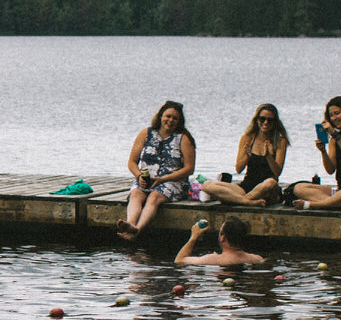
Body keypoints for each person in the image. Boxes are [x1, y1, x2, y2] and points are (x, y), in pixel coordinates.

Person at [118, 100, 196, 240]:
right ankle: (130, 223)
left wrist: (163, 179)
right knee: (136, 194)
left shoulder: (184, 138)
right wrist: (139, 176)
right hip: (146, 179)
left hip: (172, 181)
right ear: (160, 116)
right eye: (168, 116)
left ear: (179, 121)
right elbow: (132, 162)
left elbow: (189, 169)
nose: (170, 120)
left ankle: (137, 230)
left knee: (154, 196)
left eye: (175, 118)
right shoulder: (146, 133)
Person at [201, 103, 290, 206]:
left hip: (267, 190)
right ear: (256, 120)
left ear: (275, 123)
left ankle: (236, 200)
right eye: (262, 119)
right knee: (206, 185)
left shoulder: (280, 140)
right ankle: (246, 201)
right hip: (246, 187)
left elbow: (277, 172)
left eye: (270, 120)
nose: (265, 122)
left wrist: (268, 156)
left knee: (270, 182)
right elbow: (238, 169)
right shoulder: (248, 138)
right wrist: (247, 157)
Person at [176, 216, 269, 266]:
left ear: (222, 237)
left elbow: (179, 260)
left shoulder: (212, 259)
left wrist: (194, 237)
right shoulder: (257, 259)